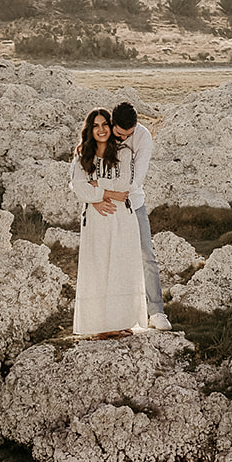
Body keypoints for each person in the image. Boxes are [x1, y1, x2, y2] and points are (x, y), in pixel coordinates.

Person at [70, 107, 147, 337]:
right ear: (90, 130)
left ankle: (119, 321)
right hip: (97, 218)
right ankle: (99, 327)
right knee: (98, 268)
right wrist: (105, 194)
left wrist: (96, 186)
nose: (101, 130)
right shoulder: (83, 154)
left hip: (122, 217)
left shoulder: (122, 153)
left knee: (121, 269)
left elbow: (124, 184)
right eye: (96, 126)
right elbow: (79, 188)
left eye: (105, 124)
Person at [111, 101, 171, 329]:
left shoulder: (143, 136)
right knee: (113, 258)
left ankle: (156, 312)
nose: (124, 138)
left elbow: (138, 177)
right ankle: (116, 314)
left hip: (134, 203)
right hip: (105, 205)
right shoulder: (104, 131)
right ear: (112, 124)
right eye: (120, 134)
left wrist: (116, 191)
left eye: (129, 134)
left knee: (147, 255)